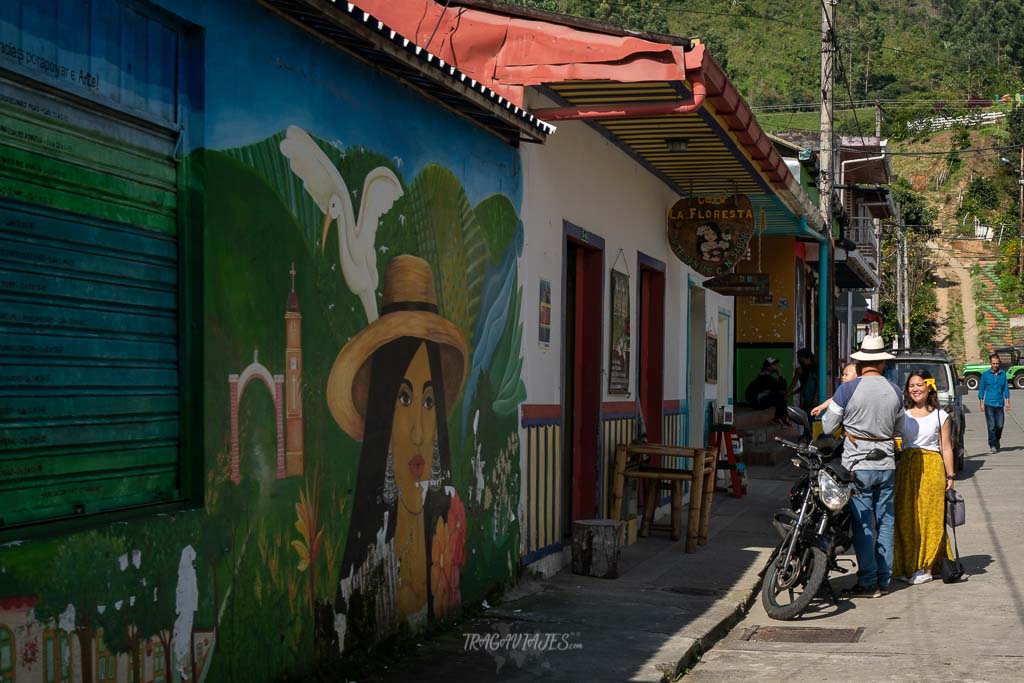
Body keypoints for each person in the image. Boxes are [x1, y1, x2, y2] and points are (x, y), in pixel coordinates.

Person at [327, 255, 469, 650]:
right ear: (381, 410)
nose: (420, 433)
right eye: (403, 397)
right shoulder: (361, 569)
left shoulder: (448, 535)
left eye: (428, 402)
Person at [821, 335, 904, 598]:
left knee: (863, 524)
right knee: (886, 522)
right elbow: (900, 430)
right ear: (882, 362)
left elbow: (827, 426)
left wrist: (848, 428)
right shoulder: (895, 390)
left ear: (862, 361)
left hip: (857, 465)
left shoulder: (848, 389)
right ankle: (884, 579)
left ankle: (868, 582)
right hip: (887, 463)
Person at [893, 370, 956, 585]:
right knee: (906, 517)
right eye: (911, 386)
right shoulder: (903, 414)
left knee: (930, 518)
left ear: (929, 387)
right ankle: (907, 565)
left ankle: (928, 568)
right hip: (906, 468)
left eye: (919, 384)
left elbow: (946, 447)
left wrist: (950, 475)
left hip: (931, 469)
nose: (915, 389)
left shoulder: (941, 415)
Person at [978, 352, 1010, 453]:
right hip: (989, 404)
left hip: (1000, 404)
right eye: (993, 363)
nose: (995, 365)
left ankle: (997, 440)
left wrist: (1007, 401)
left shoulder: (1003, 374)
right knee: (991, 426)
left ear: (999, 363)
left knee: (999, 425)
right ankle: (992, 444)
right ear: (990, 363)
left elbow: (1006, 388)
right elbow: (981, 390)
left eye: (997, 363)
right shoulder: (985, 375)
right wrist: (981, 403)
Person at [745, 357, 789, 424]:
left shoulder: (765, 376)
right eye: (774, 365)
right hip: (757, 403)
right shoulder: (766, 377)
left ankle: (781, 417)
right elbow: (783, 388)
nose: (776, 366)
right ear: (768, 367)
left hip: (757, 401)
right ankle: (781, 418)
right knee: (781, 396)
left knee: (779, 395)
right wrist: (779, 373)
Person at [790, 348, 819, 414]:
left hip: (811, 399)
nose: (801, 363)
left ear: (808, 358)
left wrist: (815, 397)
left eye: (802, 361)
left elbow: (817, 384)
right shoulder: (802, 370)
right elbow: (803, 386)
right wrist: (792, 393)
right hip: (805, 399)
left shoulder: (814, 370)